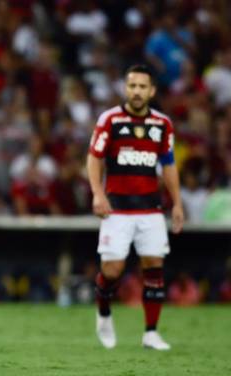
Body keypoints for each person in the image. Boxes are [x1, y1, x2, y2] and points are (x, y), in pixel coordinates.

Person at [87, 64, 184, 351]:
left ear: (152, 91)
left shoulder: (162, 124)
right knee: (112, 270)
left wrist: (177, 203)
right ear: (125, 88)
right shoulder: (110, 119)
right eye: (132, 86)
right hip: (116, 209)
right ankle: (104, 312)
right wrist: (97, 194)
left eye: (142, 86)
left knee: (154, 267)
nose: (137, 91)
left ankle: (151, 333)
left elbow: (168, 165)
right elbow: (94, 158)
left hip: (151, 209)